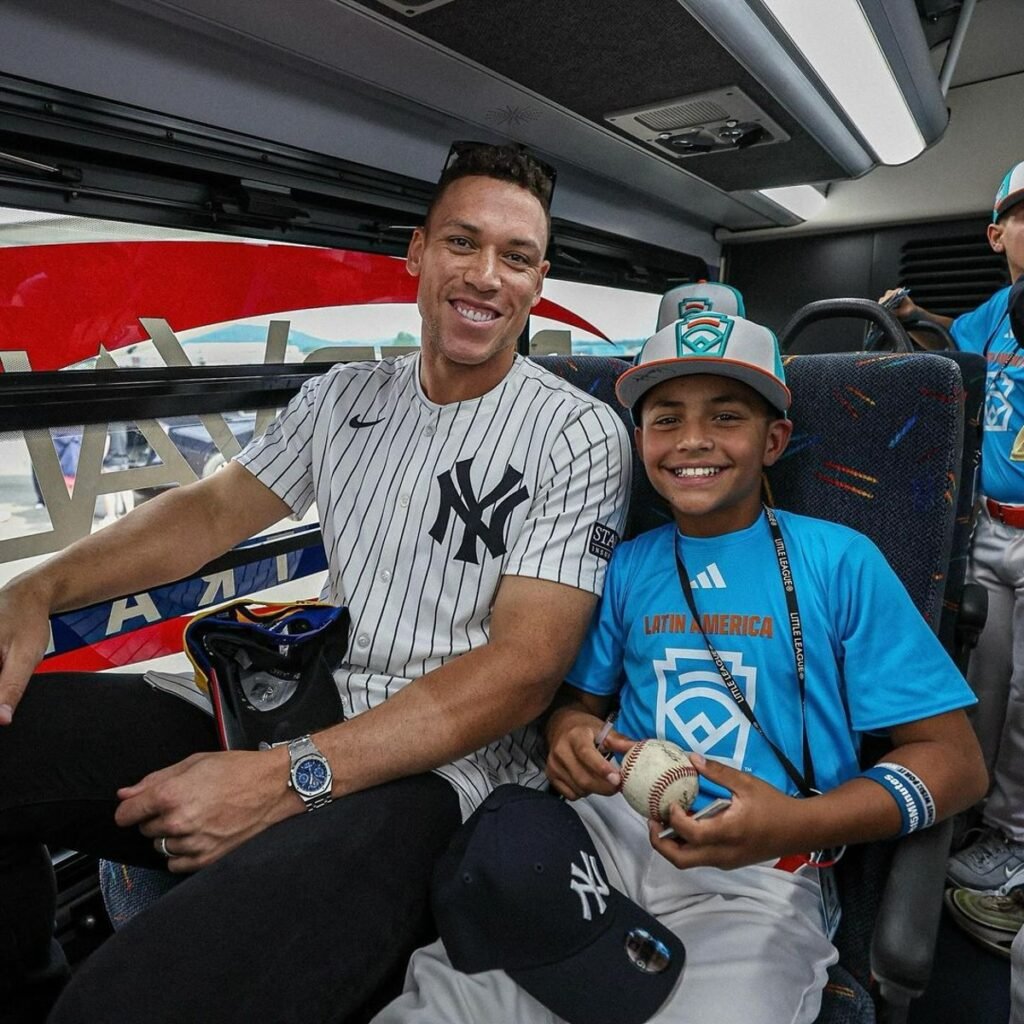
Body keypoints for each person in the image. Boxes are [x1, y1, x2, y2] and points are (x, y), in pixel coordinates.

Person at [0, 142, 632, 1024]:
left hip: (442, 780)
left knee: (129, 1003)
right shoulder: (342, 399)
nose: (487, 276)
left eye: (516, 257)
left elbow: (525, 666)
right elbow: (204, 515)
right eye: (463, 243)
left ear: (537, 280)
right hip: (303, 707)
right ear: (416, 254)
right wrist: (34, 591)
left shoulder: (577, 433)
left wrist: (279, 781)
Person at [373, 311, 988, 1024]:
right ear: (641, 442)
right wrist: (569, 736)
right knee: (451, 998)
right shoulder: (626, 564)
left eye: (725, 417)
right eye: (666, 420)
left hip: (762, 874)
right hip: (603, 839)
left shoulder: (842, 562)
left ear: (773, 440)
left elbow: (956, 762)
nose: (692, 440)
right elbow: (580, 703)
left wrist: (796, 825)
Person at [880, 160, 1024, 898]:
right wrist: (912, 321)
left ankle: (1014, 837)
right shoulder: (996, 313)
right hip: (992, 529)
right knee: (986, 682)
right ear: (998, 233)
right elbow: (951, 349)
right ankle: (982, 815)